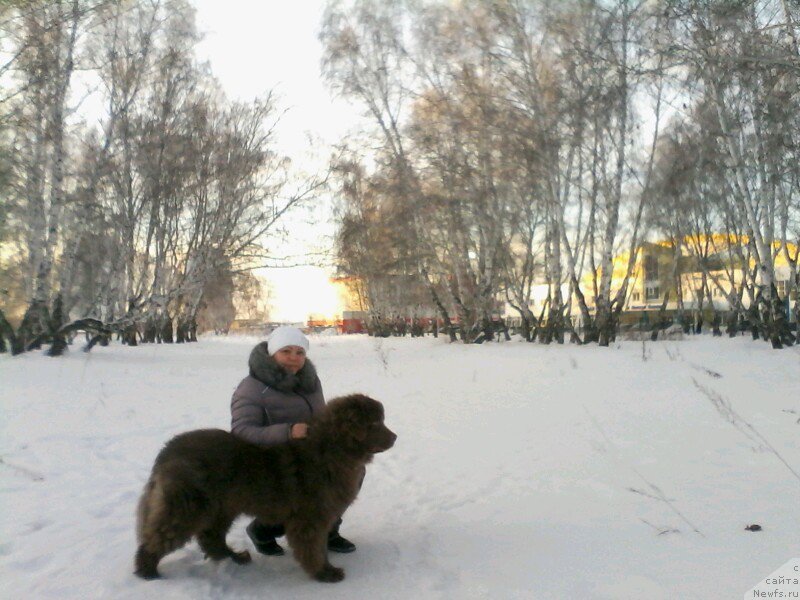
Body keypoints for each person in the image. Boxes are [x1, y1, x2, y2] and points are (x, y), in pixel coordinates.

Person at [230, 326, 356, 556]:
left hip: (308, 452)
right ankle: (263, 530)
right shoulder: (252, 387)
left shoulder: (310, 380)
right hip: (270, 458)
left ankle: (328, 530)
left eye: (300, 352)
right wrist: (288, 432)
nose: (293, 358)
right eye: (286, 351)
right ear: (271, 353)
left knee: (349, 471)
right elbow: (241, 431)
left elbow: (320, 415)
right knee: (302, 489)